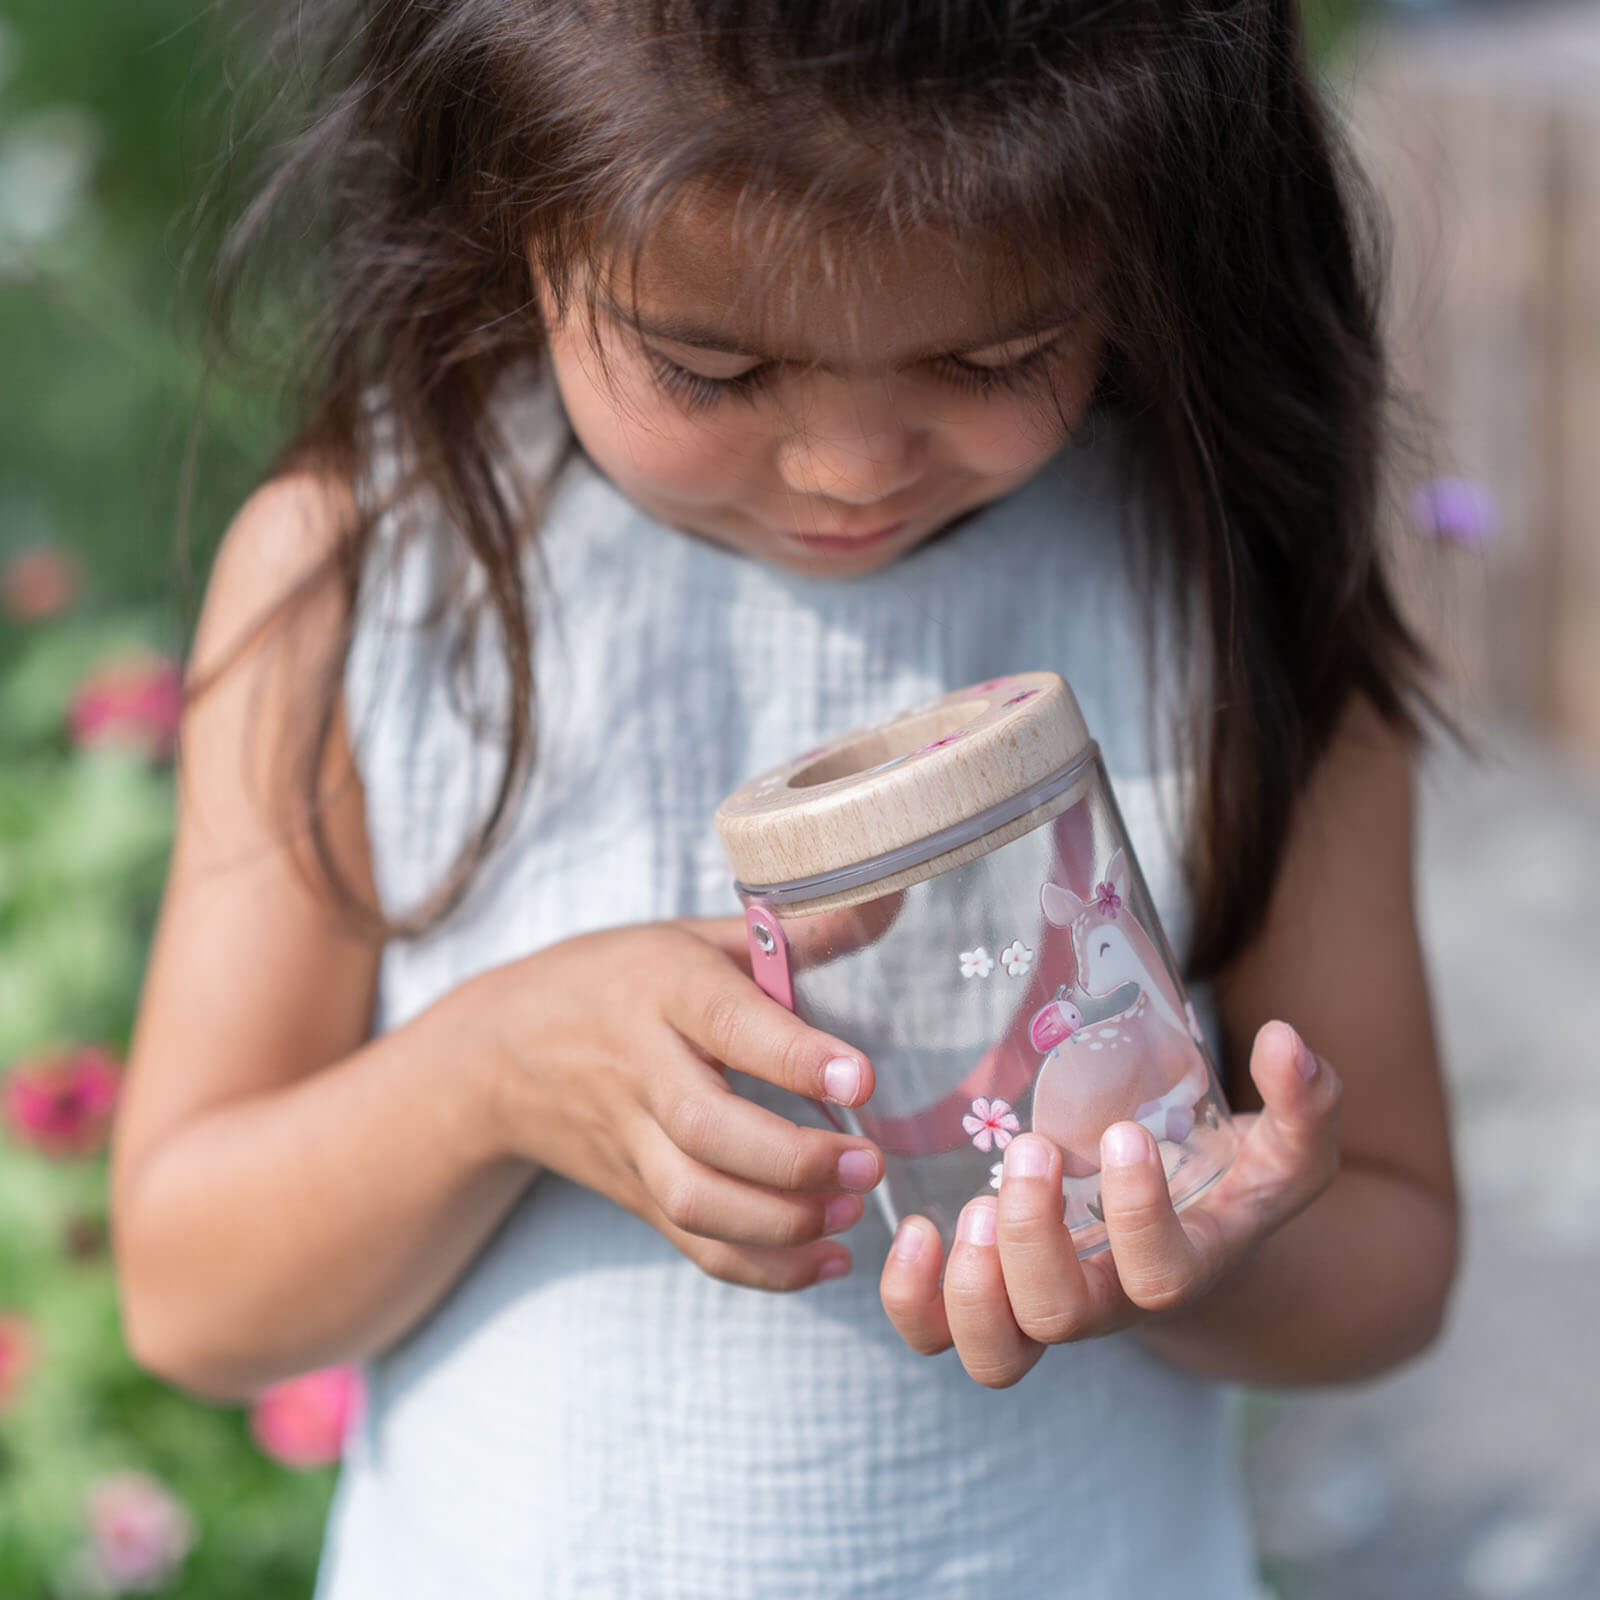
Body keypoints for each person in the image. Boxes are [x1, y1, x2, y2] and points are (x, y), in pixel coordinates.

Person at [110, 1, 1461, 1594]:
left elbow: (1396, 1254)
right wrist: (489, 1076)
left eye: (990, 355)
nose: (848, 464)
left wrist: (1199, 1256)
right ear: (505, 218)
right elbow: (194, 1297)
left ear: (1152, 245)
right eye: (711, 366)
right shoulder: (375, 579)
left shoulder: (1221, 595)